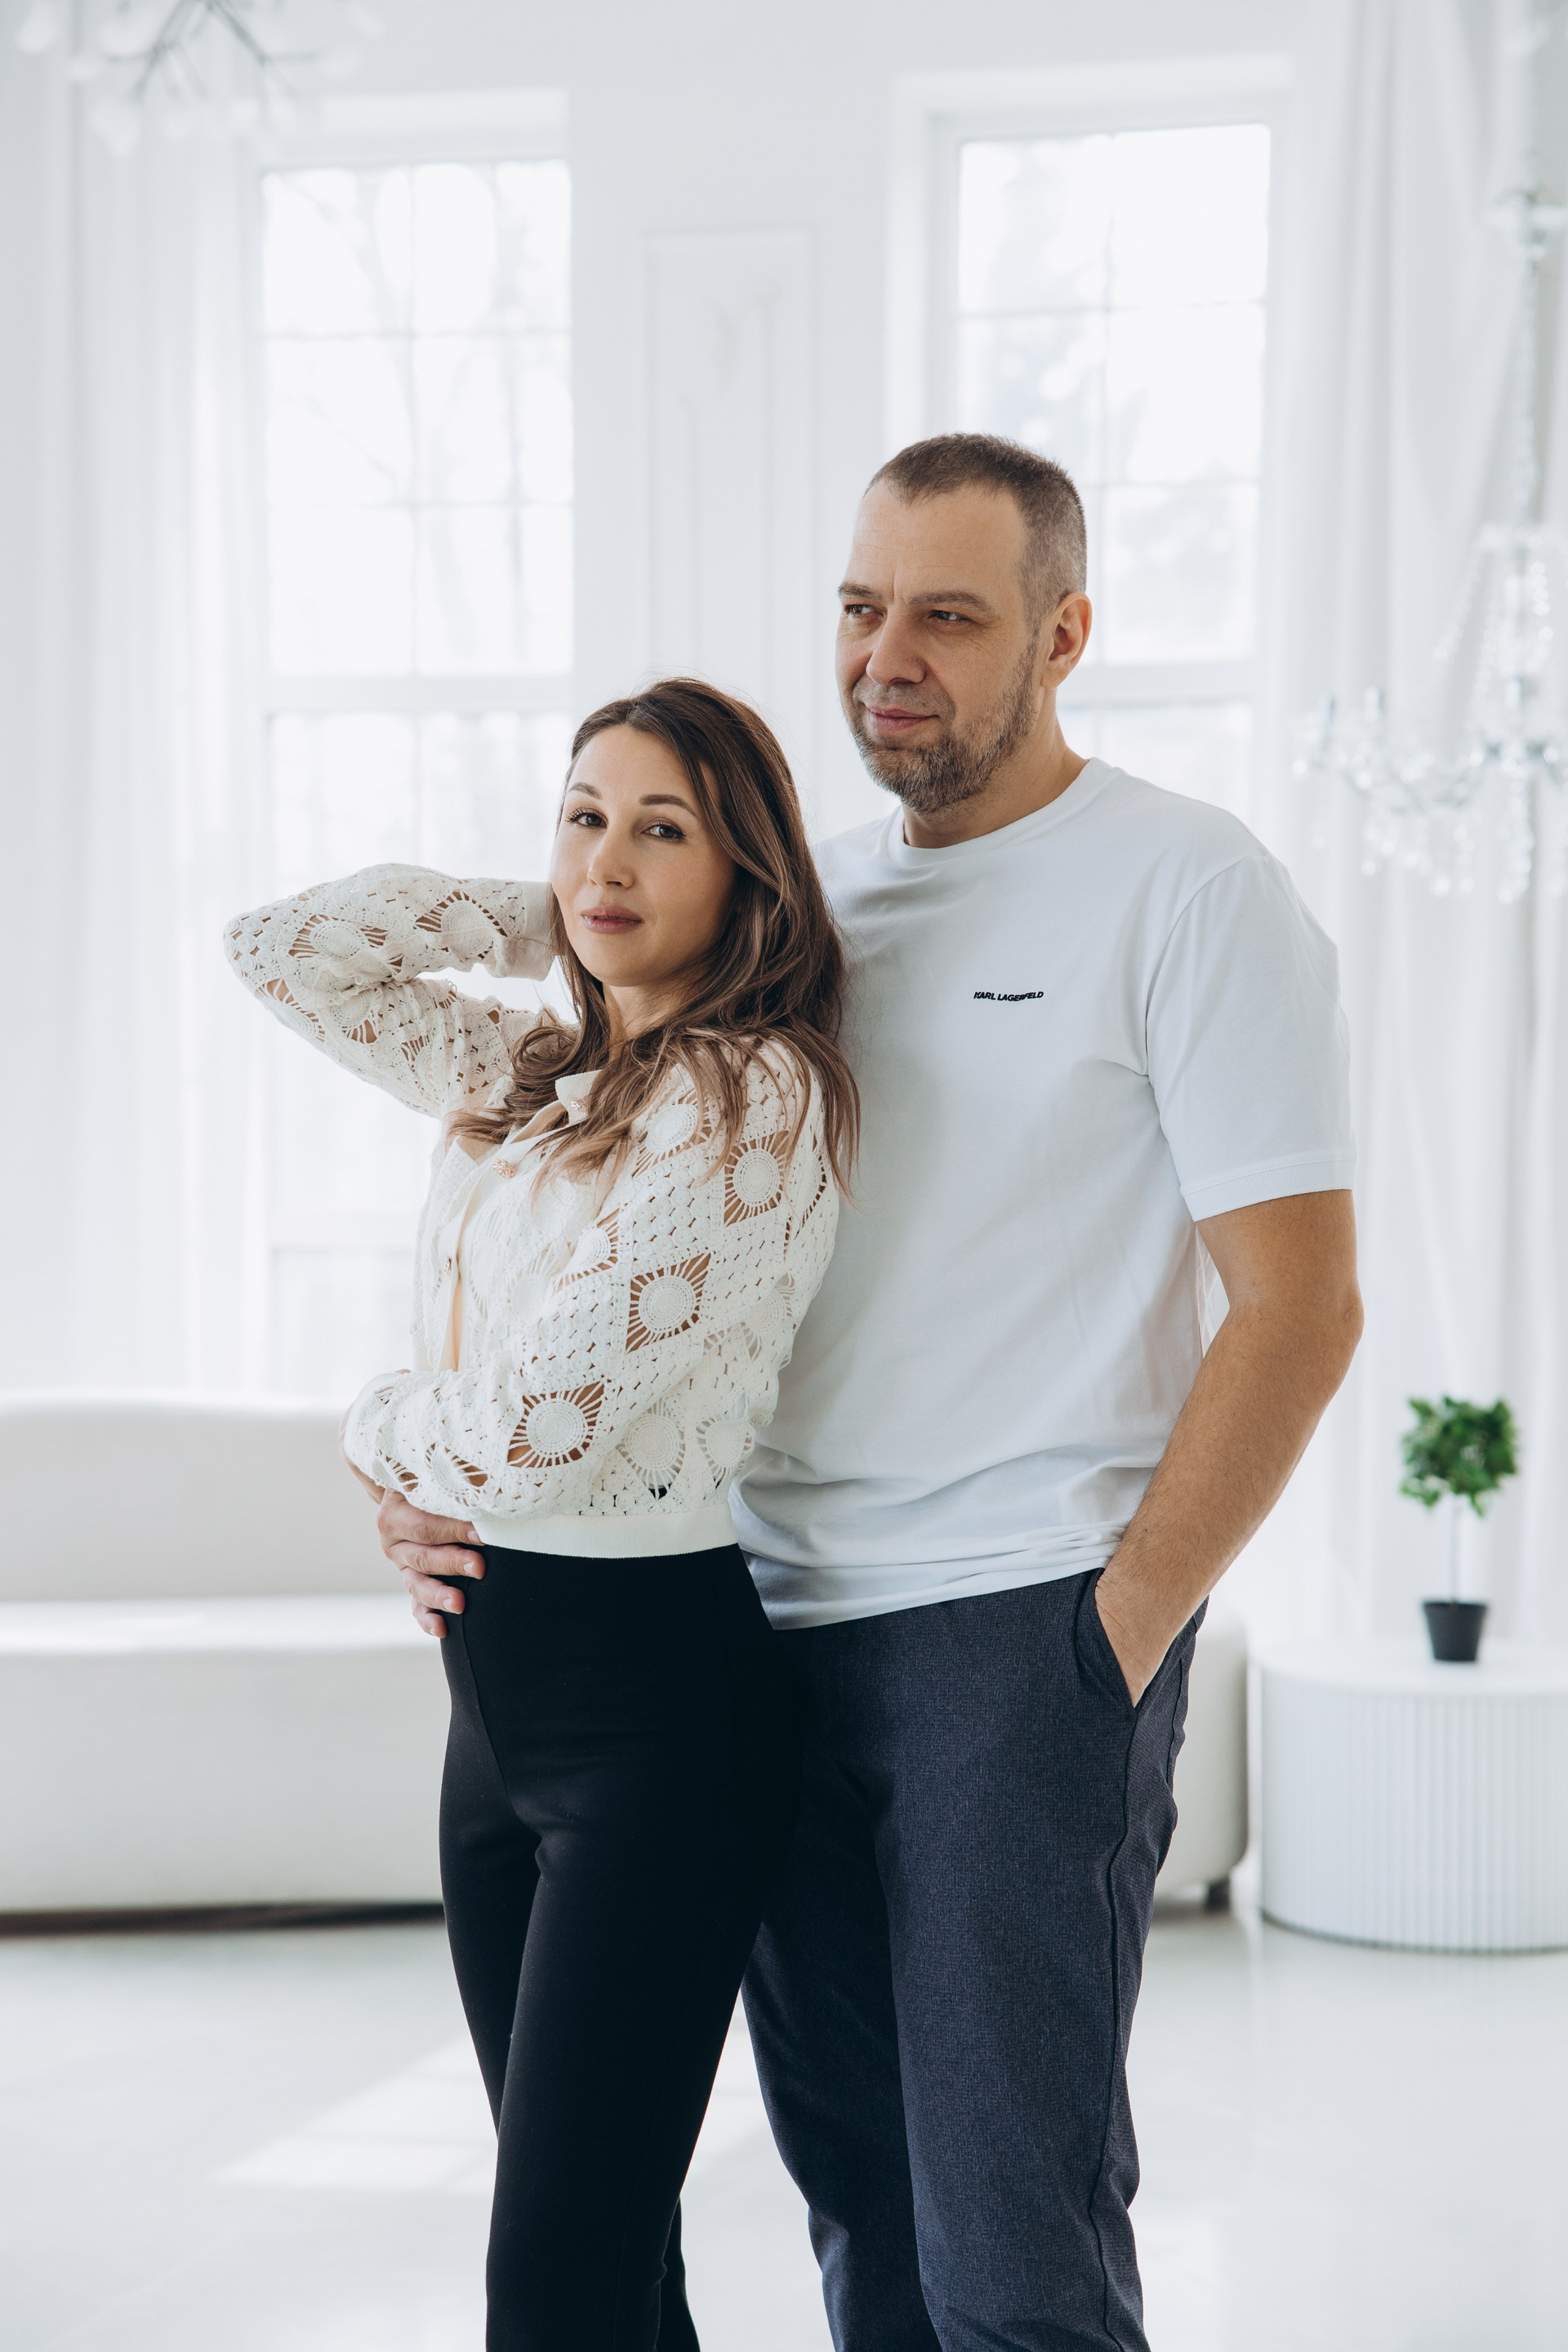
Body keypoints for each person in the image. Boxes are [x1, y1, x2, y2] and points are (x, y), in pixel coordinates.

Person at [378, 435, 1363, 2352]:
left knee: (1011, 2251)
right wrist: (441, 1485)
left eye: (950, 616)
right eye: (859, 606)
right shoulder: (807, 915)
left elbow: (1302, 1307)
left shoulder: (1188, 885)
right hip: (755, 1633)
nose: (886, 656)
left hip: (1018, 1632)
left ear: (1064, 636)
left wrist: (1114, 1637)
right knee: (866, 2216)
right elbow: (616, 1250)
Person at [224, 679, 858, 2352]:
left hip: (659, 1726)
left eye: (665, 829)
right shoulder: (533, 1068)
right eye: (585, 816)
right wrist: (565, 918)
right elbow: (279, 951)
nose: (608, 858)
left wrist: (373, 1430)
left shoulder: (755, 1100)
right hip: (493, 1725)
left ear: (752, 873)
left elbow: (531, 1434)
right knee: (610, 2274)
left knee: (555, 2286)